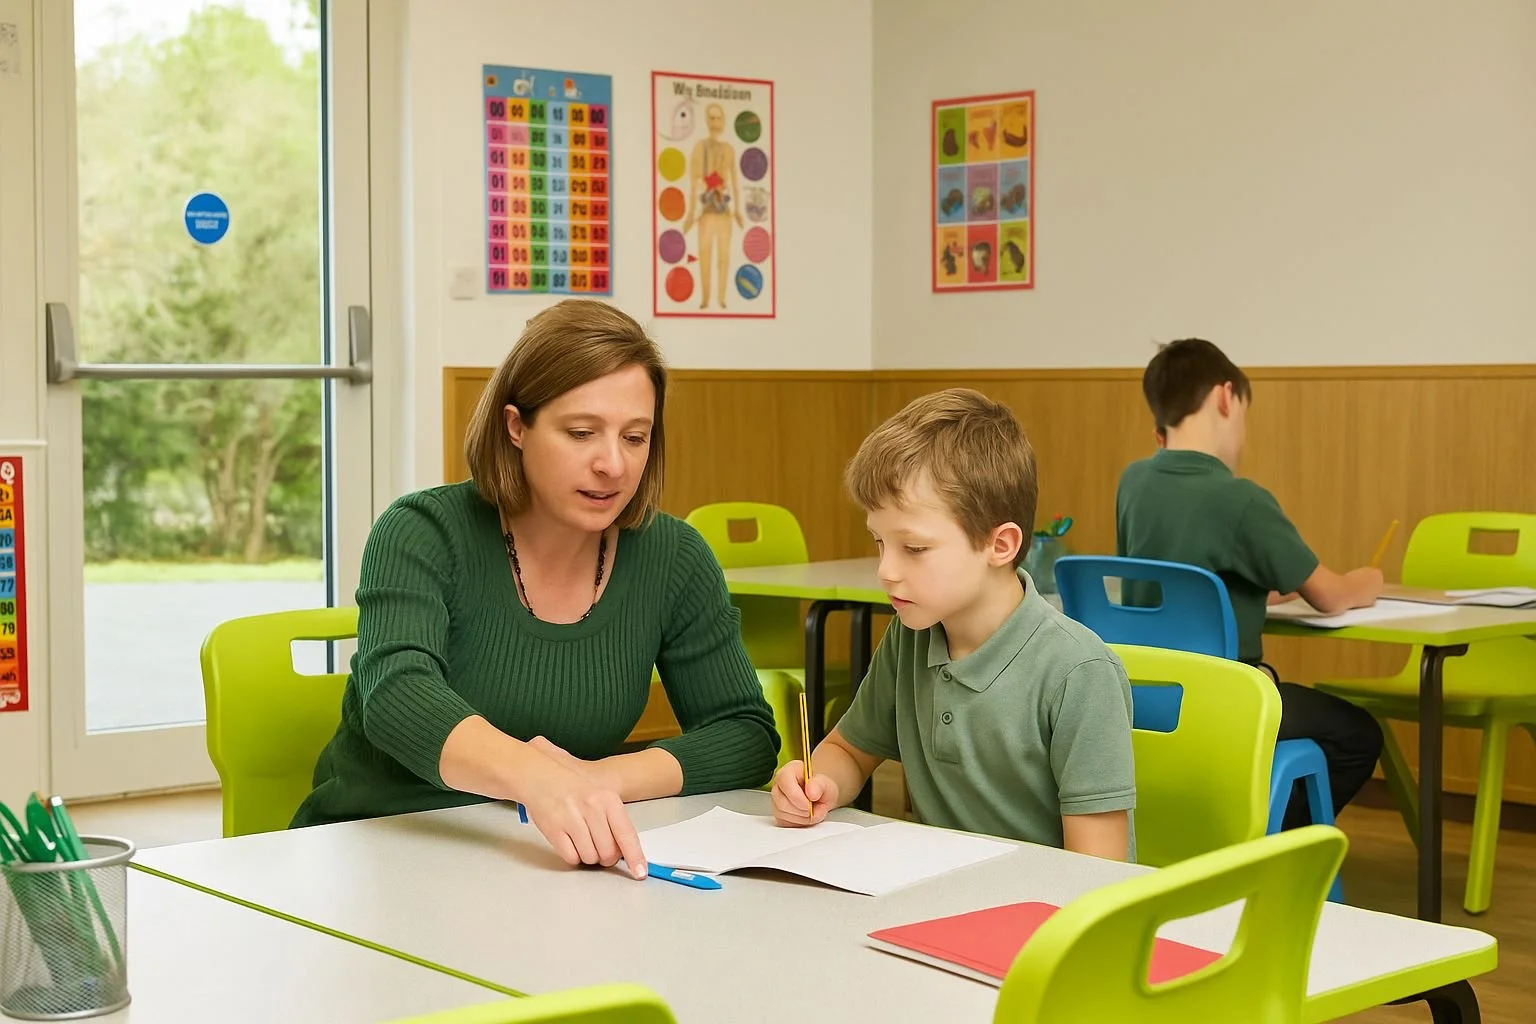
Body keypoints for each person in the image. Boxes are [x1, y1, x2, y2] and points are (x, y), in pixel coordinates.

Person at [291, 300, 780, 878]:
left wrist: (596, 780)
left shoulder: (673, 556)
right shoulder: (422, 532)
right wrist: (536, 777)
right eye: (581, 433)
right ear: (516, 426)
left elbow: (745, 734)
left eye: (635, 437)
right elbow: (397, 696)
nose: (613, 465)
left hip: (541, 860)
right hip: (379, 846)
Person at [770, 389, 1137, 861]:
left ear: (999, 545)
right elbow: (849, 749)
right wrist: (817, 784)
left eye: (914, 548)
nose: (886, 570)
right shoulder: (911, 635)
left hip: (1040, 920)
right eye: (879, 541)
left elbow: (1095, 871)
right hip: (933, 900)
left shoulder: (1078, 673)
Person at [1116, 337, 1384, 827]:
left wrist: (1260, 588)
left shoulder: (1133, 483)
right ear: (1225, 397)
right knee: (1359, 735)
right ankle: (1267, 845)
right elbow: (1328, 595)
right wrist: (1366, 580)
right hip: (1226, 697)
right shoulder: (1241, 500)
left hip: (1141, 692)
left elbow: (1180, 576)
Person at [681, 103, 745, 310]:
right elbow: (693, 180)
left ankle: (721, 297)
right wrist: (691, 213)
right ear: (707, 120)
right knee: (705, 255)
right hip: (707, 212)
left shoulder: (729, 149)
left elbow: (735, 180)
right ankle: (706, 298)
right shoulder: (700, 147)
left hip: (724, 213)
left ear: (723, 120)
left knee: (724, 257)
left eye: (718, 118)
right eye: (711, 118)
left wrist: (738, 210)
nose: (715, 122)